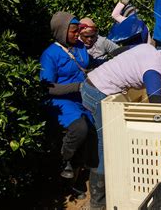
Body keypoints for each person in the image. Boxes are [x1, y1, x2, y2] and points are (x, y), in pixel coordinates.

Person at [80, 40, 161, 209]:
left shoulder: (149, 49)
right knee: (106, 146)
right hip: (97, 92)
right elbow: (157, 106)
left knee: (108, 143)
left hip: (92, 84)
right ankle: (98, 202)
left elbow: (118, 52)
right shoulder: (152, 71)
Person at [39, 11, 98, 193]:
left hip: (82, 99)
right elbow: (48, 87)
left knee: (94, 130)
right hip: (61, 101)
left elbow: (89, 64)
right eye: (73, 31)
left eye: (77, 31)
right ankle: (67, 160)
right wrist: (78, 87)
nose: (76, 35)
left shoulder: (80, 47)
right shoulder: (50, 54)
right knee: (80, 128)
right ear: (61, 32)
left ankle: (77, 178)